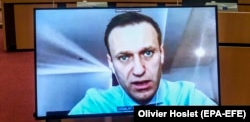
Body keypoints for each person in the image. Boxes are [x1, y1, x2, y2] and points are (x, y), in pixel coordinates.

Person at [68, 11, 217, 115]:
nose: (139, 70)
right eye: (124, 57)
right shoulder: (96, 104)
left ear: (162, 54)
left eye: (147, 53)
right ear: (111, 64)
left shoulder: (187, 97)